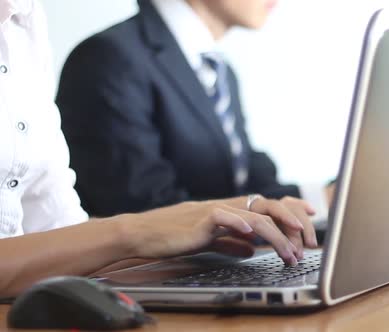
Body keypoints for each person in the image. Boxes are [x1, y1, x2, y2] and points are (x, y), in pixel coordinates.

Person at [0, 0, 317, 298]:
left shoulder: (25, 22)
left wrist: (229, 224)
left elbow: (60, 232)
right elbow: (136, 204)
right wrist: (138, 230)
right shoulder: (109, 56)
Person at [55, 0, 333, 219]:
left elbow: (242, 185)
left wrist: (330, 198)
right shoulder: (109, 59)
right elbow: (145, 211)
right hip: (151, 280)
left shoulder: (217, 69)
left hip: (217, 268)